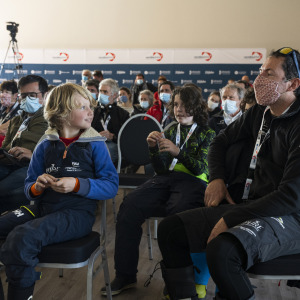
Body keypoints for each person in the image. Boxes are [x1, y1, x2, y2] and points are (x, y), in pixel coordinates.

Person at [156, 47, 300, 300]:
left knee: (222, 252)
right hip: (253, 206)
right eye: (260, 72)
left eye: (268, 73)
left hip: (289, 216)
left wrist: (234, 217)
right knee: (170, 230)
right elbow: (219, 143)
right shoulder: (260, 112)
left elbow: (290, 197)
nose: (258, 80)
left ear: (293, 83)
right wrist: (217, 179)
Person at [0, 83, 119, 300]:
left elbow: (111, 186)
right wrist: (38, 186)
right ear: (62, 112)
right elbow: (29, 188)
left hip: (76, 214)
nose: (90, 111)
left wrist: (76, 184)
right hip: (41, 208)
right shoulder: (44, 144)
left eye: (89, 106)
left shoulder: (95, 144)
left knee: (22, 237)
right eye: (82, 107)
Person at [101, 85, 216, 296]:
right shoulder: (171, 130)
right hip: (165, 179)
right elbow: (162, 168)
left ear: (196, 107)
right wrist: (153, 149)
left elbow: (201, 167)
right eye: (176, 104)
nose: (179, 109)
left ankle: (177, 281)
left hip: (193, 182)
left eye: (184, 105)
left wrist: (178, 152)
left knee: (178, 214)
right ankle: (125, 275)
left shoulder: (207, 132)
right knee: (129, 205)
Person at [0, 75, 48, 213]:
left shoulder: (50, 119)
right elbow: (6, 146)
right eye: (23, 95)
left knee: (3, 190)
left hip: (34, 165)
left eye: (32, 95)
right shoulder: (16, 121)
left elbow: (40, 148)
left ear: (44, 96)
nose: (27, 99)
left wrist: (30, 153)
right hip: (10, 162)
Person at [91, 78, 129, 164]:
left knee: (106, 151)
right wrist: (96, 135)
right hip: (94, 144)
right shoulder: (92, 111)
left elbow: (126, 138)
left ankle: (104, 177)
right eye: (100, 91)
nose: (101, 94)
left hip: (113, 146)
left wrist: (113, 137)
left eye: (105, 92)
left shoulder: (122, 114)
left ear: (114, 95)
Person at [0, 80, 20, 146]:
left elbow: (8, 127)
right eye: (2, 92)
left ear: (15, 95)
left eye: (7, 92)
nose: (3, 95)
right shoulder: (1, 106)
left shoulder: (20, 109)